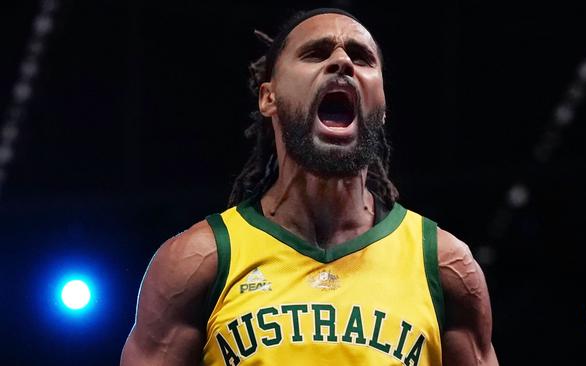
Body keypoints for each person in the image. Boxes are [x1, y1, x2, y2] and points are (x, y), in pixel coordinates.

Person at [121, 8, 498, 366]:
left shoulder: (443, 263)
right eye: (316, 53)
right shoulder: (199, 260)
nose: (342, 62)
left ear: (381, 107)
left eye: (362, 57)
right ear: (269, 98)